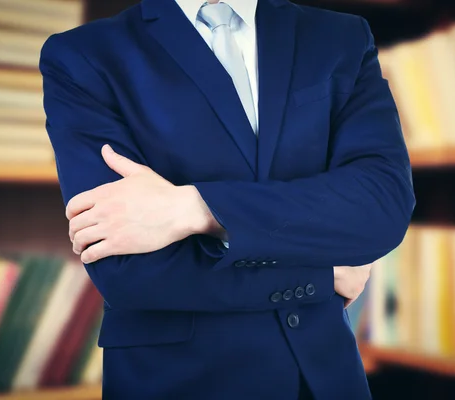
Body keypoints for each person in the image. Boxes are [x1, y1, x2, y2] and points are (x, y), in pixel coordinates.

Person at [39, 0, 415, 398]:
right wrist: (319, 276)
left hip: (325, 383)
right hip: (176, 383)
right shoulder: (84, 55)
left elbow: (381, 205)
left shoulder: (342, 37)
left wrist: (196, 208)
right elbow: (125, 268)